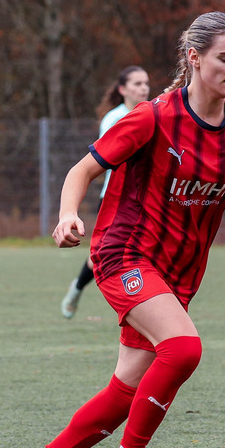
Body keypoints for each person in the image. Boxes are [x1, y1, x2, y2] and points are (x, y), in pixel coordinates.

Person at [16, 11, 225, 448]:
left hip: (180, 271)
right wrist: (66, 217)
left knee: (127, 389)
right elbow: (82, 169)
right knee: (184, 347)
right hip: (124, 253)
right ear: (195, 58)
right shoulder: (153, 116)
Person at [62, 65, 151, 319]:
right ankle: (78, 288)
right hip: (118, 199)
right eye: (136, 83)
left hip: (148, 198)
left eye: (145, 83)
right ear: (123, 89)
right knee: (100, 255)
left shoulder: (155, 113)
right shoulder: (114, 119)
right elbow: (107, 158)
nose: (143, 88)